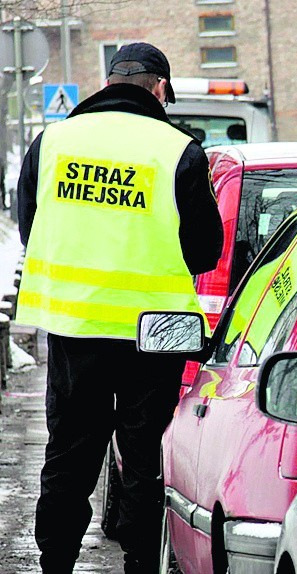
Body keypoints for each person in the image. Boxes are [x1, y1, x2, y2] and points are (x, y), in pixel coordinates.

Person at [14, 43, 223, 574]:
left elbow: (30, 226)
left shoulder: (52, 142)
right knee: (145, 455)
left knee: (69, 451)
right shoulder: (179, 149)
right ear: (160, 88)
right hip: (157, 331)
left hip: (75, 324)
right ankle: (139, 560)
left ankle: (56, 560)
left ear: (108, 83)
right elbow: (204, 251)